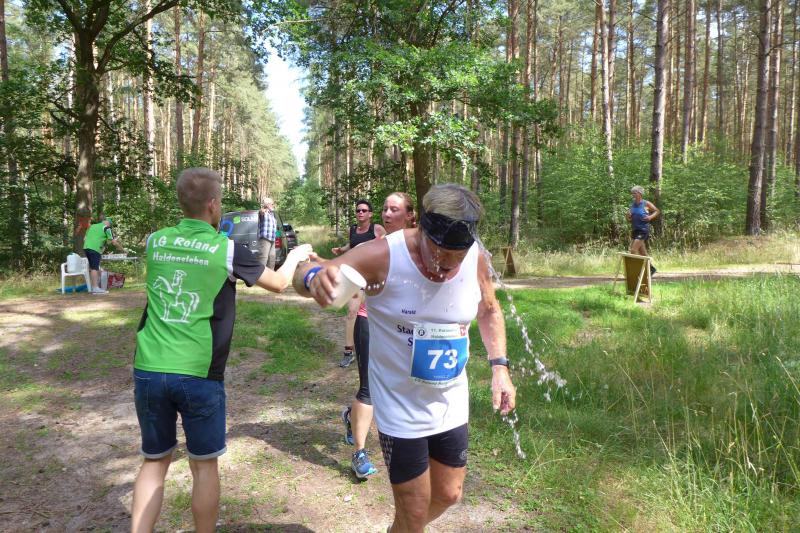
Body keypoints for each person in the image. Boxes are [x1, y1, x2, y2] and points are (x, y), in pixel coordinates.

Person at [297, 184, 516, 532]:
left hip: (450, 399)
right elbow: (306, 273)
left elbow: (489, 309)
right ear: (421, 229)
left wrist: (499, 367)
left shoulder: (474, 256)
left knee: (449, 494)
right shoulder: (382, 255)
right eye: (439, 255)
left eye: (456, 258)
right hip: (399, 402)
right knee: (414, 513)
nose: (447, 268)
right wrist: (312, 278)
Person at [130, 168, 313, 533]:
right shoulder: (225, 248)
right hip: (199, 373)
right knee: (203, 465)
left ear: (182, 202)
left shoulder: (155, 241)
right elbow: (278, 283)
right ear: (213, 205)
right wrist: (296, 255)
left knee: (154, 461)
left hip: (148, 368)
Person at [341, 192, 417, 479]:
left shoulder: (422, 248)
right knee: (369, 388)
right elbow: (341, 271)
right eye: (384, 209)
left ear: (410, 215)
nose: (386, 214)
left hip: (407, 327)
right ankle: (359, 453)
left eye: (394, 209)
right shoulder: (372, 248)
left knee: (406, 383)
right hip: (370, 321)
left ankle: (352, 417)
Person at [331, 199, 386, 368]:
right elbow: (351, 245)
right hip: (355, 276)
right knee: (352, 312)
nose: (360, 212)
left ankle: (378, 351)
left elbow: (387, 245)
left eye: (364, 210)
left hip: (373, 277)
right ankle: (348, 352)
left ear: (370, 214)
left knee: (375, 314)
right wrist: (341, 250)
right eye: (358, 210)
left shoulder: (377, 229)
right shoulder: (352, 229)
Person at [83, 217, 125, 294]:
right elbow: (113, 242)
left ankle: (95, 287)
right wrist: (123, 250)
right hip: (95, 248)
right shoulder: (107, 228)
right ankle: (95, 288)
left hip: (86, 248)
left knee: (93, 268)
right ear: (109, 224)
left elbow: (85, 238)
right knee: (94, 268)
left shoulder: (92, 226)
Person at [625, 185, 660, 275]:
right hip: (635, 230)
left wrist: (650, 217)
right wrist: (628, 216)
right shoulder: (632, 205)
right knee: (642, 253)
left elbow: (657, 211)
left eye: (635, 193)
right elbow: (629, 219)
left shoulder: (646, 203)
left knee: (633, 250)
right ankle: (651, 269)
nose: (633, 195)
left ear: (640, 193)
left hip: (643, 230)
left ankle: (637, 270)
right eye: (632, 193)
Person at [258, 197, 278, 270]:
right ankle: (260, 275)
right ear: (267, 204)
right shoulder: (263, 212)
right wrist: (263, 209)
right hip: (265, 238)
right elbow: (261, 213)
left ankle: (271, 275)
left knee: (272, 258)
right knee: (263, 258)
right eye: (272, 204)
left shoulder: (272, 214)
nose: (273, 205)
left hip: (272, 239)